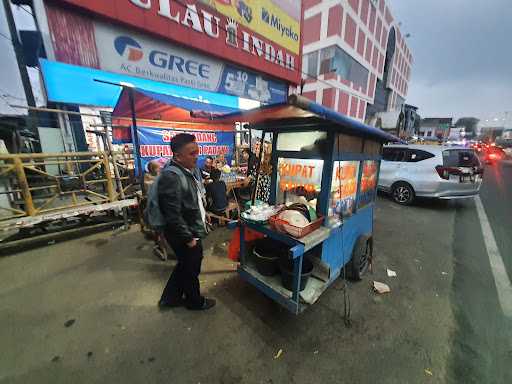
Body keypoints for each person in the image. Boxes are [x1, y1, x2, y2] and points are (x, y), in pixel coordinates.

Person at [157, 133, 216, 311]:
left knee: (184, 265)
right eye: (192, 153)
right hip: (184, 234)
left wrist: (203, 213)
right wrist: (189, 238)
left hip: (189, 229)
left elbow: (191, 200)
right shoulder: (172, 176)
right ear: (178, 156)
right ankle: (194, 301)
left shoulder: (186, 170)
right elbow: (172, 215)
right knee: (191, 268)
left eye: (197, 152)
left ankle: (170, 298)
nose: (197, 156)